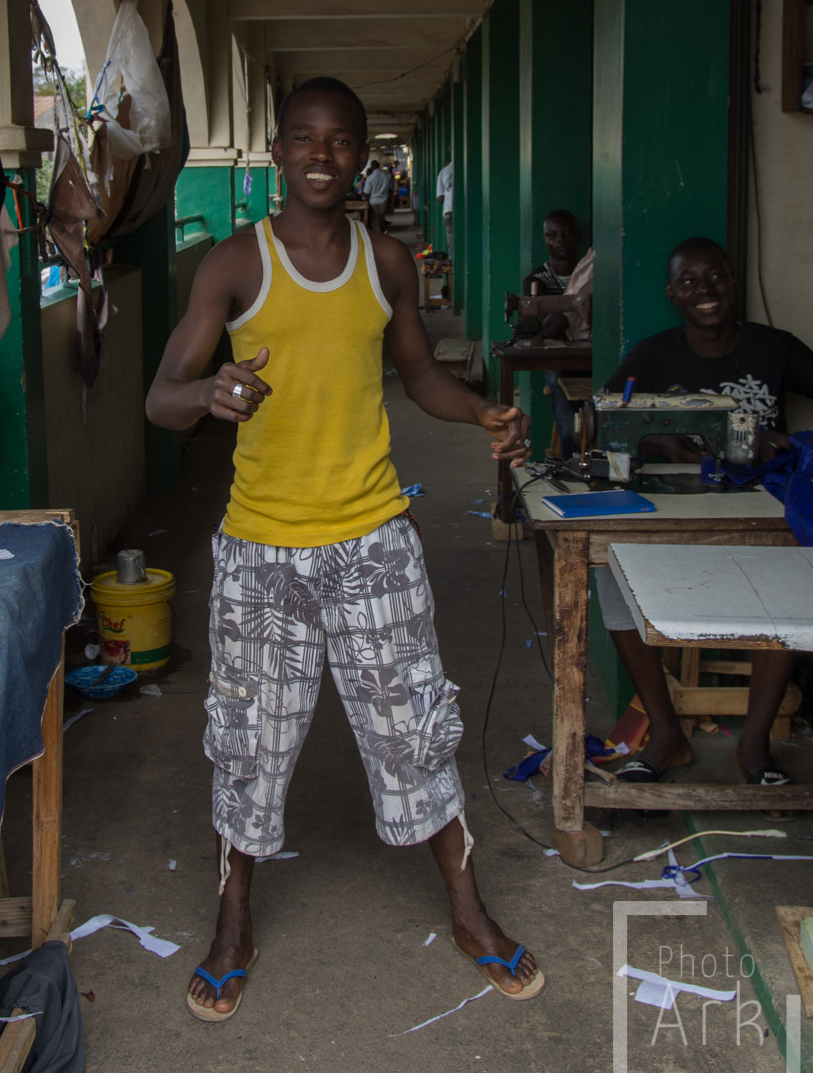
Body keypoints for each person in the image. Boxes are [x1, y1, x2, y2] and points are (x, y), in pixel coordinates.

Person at [145, 76, 542, 1020]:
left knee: (414, 730)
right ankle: (233, 921)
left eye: (339, 141)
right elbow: (162, 393)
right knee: (248, 743)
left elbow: (416, 374)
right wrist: (209, 396)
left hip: (371, 539)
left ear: (361, 153)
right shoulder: (234, 265)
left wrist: (479, 409)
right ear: (278, 153)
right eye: (303, 140)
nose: (320, 157)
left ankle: (468, 912)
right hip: (260, 550)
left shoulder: (387, 262)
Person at [598, 236, 813, 802]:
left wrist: (785, 442)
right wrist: (665, 440)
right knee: (609, 576)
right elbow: (607, 412)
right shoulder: (652, 356)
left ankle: (754, 745)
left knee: (793, 583)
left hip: (760, 506)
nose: (705, 291)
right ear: (673, 295)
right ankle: (666, 735)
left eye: (714, 277)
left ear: (732, 280)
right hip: (677, 507)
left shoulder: (774, 349)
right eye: (689, 283)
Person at [523, 210, 586, 458]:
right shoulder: (536, 281)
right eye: (552, 235)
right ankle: (574, 459)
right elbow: (546, 331)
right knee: (562, 385)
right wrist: (570, 305)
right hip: (559, 361)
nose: (560, 240)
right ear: (545, 240)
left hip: (594, 355)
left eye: (566, 233)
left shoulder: (597, 275)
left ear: (577, 237)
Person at [361, 158, 391, 231]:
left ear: (371, 167)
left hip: (373, 201)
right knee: (381, 218)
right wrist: (390, 202)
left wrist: (366, 202)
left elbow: (367, 192)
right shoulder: (387, 175)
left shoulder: (370, 178)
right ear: (379, 166)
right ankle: (382, 232)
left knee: (375, 221)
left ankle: (378, 234)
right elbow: (390, 190)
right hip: (384, 200)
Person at [436, 152, 453, 260]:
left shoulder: (444, 171)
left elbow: (440, 198)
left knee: (450, 235)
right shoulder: (467, 169)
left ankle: (452, 259)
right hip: (466, 210)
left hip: (449, 209)